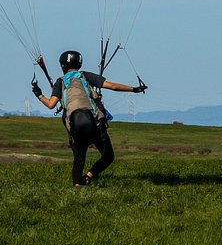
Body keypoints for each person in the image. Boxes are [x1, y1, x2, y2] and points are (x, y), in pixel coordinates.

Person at [32, 49, 146, 186]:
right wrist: (134, 89)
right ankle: (89, 176)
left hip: (75, 126)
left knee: (79, 159)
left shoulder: (60, 82)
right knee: (108, 156)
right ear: (79, 63)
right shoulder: (85, 76)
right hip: (94, 124)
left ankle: (77, 186)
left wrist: (39, 95)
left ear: (62, 65)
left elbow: (51, 104)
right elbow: (113, 86)